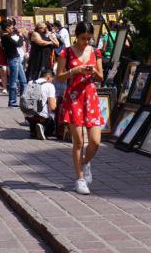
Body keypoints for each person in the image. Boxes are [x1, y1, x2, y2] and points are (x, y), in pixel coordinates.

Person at [56, 22, 105, 195]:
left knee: (95, 141)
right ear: (76, 36)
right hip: (74, 98)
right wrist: (74, 70)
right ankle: (80, 178)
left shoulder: (95, 52)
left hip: (90, 97)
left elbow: (101, 77)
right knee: (78, 141)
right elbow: (59, 77)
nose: (86, 42)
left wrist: (93, 73)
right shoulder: (66, 52)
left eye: (89, 39)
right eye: (83, 38)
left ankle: (85, 161)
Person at [23, 67, 59, 140]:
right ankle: (43, 127)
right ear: (48, 77)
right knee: (52, 123)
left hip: (28, 114)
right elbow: (52, 107)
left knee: (33, 115)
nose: (52, 81)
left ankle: (34, 130)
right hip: (41, 116)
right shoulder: (50, 86)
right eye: (52, 79)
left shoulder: (30, 82)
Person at [1, 19, 26, 107]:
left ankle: (23, 101)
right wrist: (20, 36)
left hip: (17, 58)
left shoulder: (9, 36)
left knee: (23, 81)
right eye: (11, 27)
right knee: (14, 81)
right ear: (7, 28)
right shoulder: (5, 37)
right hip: (13, 59)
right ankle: (12, 101)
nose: (12, 29)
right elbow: (18, 44)